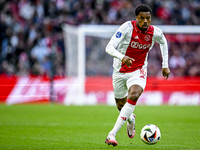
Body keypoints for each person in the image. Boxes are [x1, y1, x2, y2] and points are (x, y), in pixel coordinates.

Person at [105, 4, 170, 146]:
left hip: (138, 71)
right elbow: (109, 47)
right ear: (136, 18)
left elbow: (163, 42)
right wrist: (122, 57)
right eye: (142, 18)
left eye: (148, 18)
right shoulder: (127, 28)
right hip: (119, 71)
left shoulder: (155, 32)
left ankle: (112, 134)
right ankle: (131, 119)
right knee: (120, 105)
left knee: (133, 95)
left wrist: (165, 65)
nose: (145, 21)